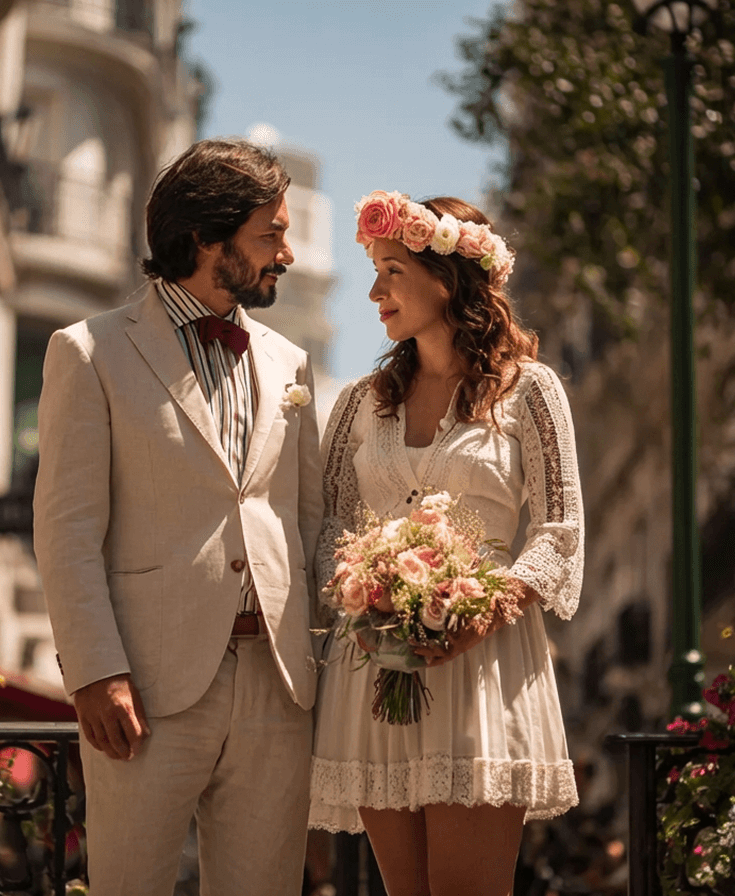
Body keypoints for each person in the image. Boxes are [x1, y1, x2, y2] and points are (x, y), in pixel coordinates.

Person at [32, 138, 323, 896]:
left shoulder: (291, 364)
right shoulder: (89, 351)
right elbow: (66, 530)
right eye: (272, 234)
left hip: (278, 684)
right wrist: (96, 672)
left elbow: (311, 524)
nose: (285, 254)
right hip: (145, 689)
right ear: (204, 239)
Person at [308, 192, 583, 896]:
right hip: (376, 665)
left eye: (391, 270)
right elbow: (333, 525)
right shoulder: (361, 404)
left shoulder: (531, 392)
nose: (373, 291)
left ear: (448, 278)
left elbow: (559, 531)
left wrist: (484, 609)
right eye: (374, 269)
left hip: (484, 666)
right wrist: (362, 595)